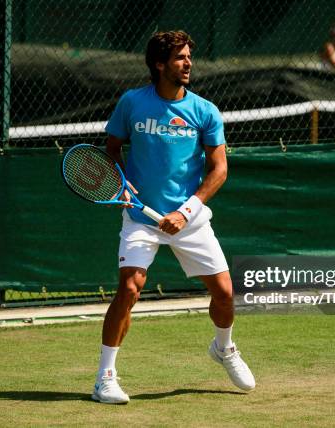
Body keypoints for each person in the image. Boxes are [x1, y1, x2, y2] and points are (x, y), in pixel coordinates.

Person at [92, 30, 255, 404]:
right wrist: (123, 186)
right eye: (181, 58)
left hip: (189, 219)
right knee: (129, 289)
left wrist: (185, 212)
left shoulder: (205, 111)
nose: (188, 64)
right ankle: (105, 378)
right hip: (140, 217)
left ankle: (224, 348)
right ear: (159, 64)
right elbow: (112, 149)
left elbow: (219, 170)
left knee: (226, 293)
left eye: (189, 57)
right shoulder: (132, 103)